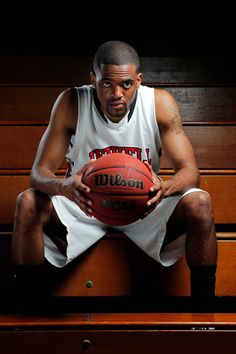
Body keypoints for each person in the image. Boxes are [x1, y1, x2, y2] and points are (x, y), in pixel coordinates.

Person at [11, 40, 217, 303]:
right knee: (26, 202)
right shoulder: (72, 102)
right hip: (84, 204)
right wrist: (65, 187)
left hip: (142, 205)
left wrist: (164, 188)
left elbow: (190, 172)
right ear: (93, 78)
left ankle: (205, 315)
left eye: (126, 84)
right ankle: (23, 315)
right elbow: (38, 174)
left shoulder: (159, 104)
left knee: (200, 202)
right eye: (107, 83)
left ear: (138, 80)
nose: (117, 93)